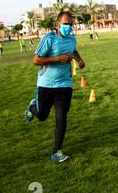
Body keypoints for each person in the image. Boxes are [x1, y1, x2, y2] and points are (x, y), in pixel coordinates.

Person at [24, 12, 86, 163]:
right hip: (46, 85)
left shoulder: (72, 39)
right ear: (57, 24)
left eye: (71, 24)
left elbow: (73, 50)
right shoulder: (49, 38)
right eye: (65, 24)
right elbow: (36, 60)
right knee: (42, 115)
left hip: (65, 84)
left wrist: (79, 60)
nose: (68, 27)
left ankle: (56, 151)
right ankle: (33, 107)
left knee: (61, 117)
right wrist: (58, 58)